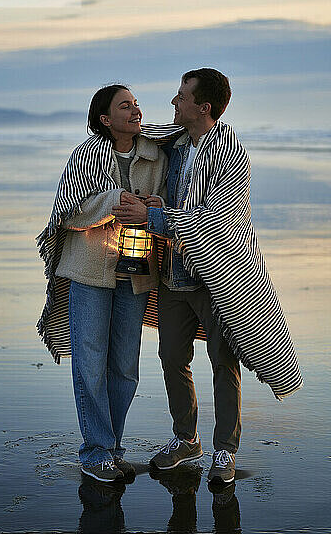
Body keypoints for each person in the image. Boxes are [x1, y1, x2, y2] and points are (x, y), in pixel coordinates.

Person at [112, 68, 303, 485]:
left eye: (181, 96)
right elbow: (181, 198)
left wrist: (155, 215)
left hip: (219, 277)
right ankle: (186, 440)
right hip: (175, 273)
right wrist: (161, 203)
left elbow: (219, 219)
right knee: (172, 359)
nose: (173, 102)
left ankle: (224, 450)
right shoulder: (176, 146)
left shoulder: (232, 153)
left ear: (204, 107)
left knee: (223, 362)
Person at [36, 84, 168, 483]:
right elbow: (67, 215)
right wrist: (114, 203)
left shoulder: (157, 155)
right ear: (106, 119)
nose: (135, 110)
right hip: (89, 272)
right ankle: (95, 452)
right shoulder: (84, 156)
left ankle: (113, 447)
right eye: (125, 106)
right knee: (90, 364)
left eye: (136, 104)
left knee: (125, 367)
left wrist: (150, 208)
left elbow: (165, 200)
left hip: (136, 269)